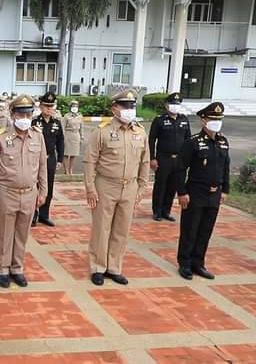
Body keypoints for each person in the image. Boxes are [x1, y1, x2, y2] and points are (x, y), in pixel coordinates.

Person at [83, 89, 149, 286]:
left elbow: (145, 161)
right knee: (102, 229)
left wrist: (142, 186)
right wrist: (90, 188)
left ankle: (114, 267)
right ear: (114, 109)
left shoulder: (140, 132)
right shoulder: (102, 131)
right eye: (125, 106)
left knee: (122, 229)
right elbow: (90, 161)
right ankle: (98, 267)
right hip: (106, 185)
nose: (129, 110)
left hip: (130, 186)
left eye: (132, 106)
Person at [0, 95, 47, 288]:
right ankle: (3, 269)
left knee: (22, 233)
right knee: (6, 233)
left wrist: (43, 191)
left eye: (28, 114)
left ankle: (17, 268)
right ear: (12, 115)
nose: (25, 118)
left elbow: (43, 166)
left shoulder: (38, 136)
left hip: (29, 193)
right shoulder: (1, 137)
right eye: (21, 114)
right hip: (7, 192)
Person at [176, 102, 229, 281]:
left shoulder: (223, 142)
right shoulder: (193, 142)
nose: (217, 122)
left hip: (214, 193)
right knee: (190, 229)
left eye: (219, 119)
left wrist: (225, 189)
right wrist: (182, 192)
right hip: (196, 192)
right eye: (213, 119)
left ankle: (198, 263)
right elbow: (180, 168)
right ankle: (185, 263)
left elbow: (226, 167)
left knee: (206, 230)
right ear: (203, 121)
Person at [149, 93, 191, 222]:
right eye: (172, 104)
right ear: (166, 105)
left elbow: (188, 140)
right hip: (163, 158)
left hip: (179, 159)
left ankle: (166, 211)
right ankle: (157, 211)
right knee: (161, 185)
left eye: (177, 104)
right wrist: (152, 158)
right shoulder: (159, 120)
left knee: (173, 186)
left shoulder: (184, 119)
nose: (175, 106)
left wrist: (187, 158)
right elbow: (151, 139)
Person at [31, 93, 64, 227]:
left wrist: (60, 159)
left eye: (51, 106)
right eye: (46, 106)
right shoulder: (34, 122)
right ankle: (33, 215)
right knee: (34, 187)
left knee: (48, 187)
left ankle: (44, 215)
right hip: (35, 158)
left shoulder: (56, 123)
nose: (49, 109)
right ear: (41, 106)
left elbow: (60, 141)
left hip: (50, 158)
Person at [62, 100, 83, 175]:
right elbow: (63, 127)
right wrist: (63, 137)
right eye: (73, 106)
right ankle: (66, 170)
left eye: (76, 106)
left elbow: (81, 127)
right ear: (70, 107)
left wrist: (82, 136)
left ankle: (71, 170)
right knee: (66, 154)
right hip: (68, 135)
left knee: (74, 154)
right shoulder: (66, 116)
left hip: (76, 135)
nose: (75, 107)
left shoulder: (80, 116)